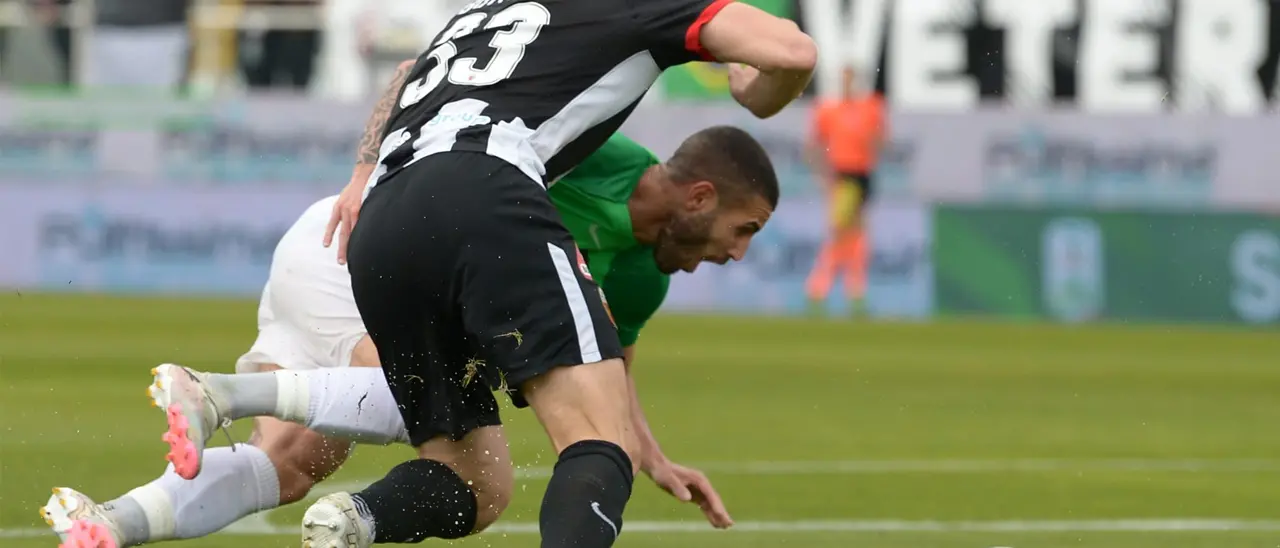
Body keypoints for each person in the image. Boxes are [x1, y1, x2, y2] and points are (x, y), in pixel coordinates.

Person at [180, 2, 813, 547]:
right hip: (485, 187)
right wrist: (751, 92)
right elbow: (793, 51)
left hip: (387, 215)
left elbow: (408, 77)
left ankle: (353, 516)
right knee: (598, 441)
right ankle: (236, 406)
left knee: (475, 480)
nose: (737, 252)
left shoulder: (483, 13)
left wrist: (361, 172)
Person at [42, 127, 774, 548]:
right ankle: (224, 397)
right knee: (473, 467)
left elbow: (606, 375)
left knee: (294, 462)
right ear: (700, 196)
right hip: (362, 254)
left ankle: (111, 522)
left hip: (341, 262)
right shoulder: (595, 146)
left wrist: (650, 456)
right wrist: (369, 166)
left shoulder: (647, 278)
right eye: (744, 230)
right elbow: (426, 98)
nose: (739, 253)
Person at [804, 65, 887, 317]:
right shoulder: (829, 111)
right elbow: (814, 146)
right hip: (843, 177)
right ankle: (821, 290)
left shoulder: (870, 108)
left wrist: (871, 145)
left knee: (856, 236)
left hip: (862, 176)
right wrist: (823, 175)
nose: (847, 84)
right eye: (844, 79)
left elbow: (880, 141)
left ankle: (849, 292)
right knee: (842, 235)